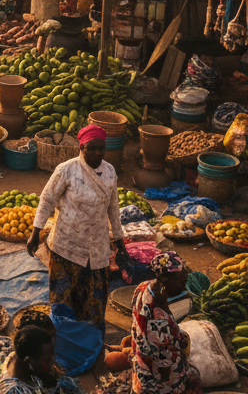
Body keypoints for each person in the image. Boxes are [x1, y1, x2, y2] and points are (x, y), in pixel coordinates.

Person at [28, 124, 125, 331]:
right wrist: (36, 231)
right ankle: (62, 336)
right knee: (63, 299)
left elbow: (113, 206)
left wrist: (118, 238)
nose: (97, 153)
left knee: (94, 299)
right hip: (67, 243)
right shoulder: (67, 169)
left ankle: (90, 338)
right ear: (81, 148)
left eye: (101, 148)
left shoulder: (109, 171)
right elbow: (47, 200)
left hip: (97, 245)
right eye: (92, 148)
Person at [130, 252, 200, 394]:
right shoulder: (157, 319)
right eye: (182, 281)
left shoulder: (144, 287)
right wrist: (170, 381)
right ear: (165, 281)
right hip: (156, 379)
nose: (184, 285)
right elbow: (163, 364)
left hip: (141, 364)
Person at [0, 323, 80, 394]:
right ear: (28, 361)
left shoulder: (18, 356)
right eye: (47, 360)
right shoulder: (15, 391)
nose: (52, 361)